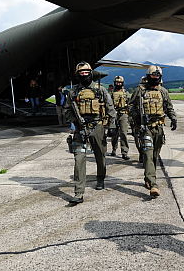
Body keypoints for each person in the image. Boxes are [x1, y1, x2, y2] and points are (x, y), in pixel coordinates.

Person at [63, 62, 117, 205]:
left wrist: (112, 126)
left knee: (100, 155)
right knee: (79, 159)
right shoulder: (73, 92)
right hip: (80, 129)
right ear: (77, 75)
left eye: (87, 72)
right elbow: (66, 110)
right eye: (81, 73)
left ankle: (100, 178)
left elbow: (110, 108)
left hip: (97, 126)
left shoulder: (100, 90)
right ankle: (79, 192)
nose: (84, 75)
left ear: (91, 73)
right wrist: (74, 119)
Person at [128, 65, 177, 197]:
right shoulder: (140, 90)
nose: (155, 78)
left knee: (155, 156)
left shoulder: (163, 91)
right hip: (146, 128)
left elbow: (169, 106)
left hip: (159, 128)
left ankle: (148, 177)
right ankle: (154, 185)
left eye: (157, 76)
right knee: (148, 155)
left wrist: (173, 118)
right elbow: (131, 105)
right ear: (148, 76)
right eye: (153, 76)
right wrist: (136, 117)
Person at [110, 76, 130, 160]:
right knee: (114, 134)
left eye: (119, 83)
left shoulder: (126, 93)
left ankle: (124, 152)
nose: (118, 84)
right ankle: (114, 149)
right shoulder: (111, 93)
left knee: (123, 133)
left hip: (123, 114)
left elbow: (130, 104)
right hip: (114, 114)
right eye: (117, 83)